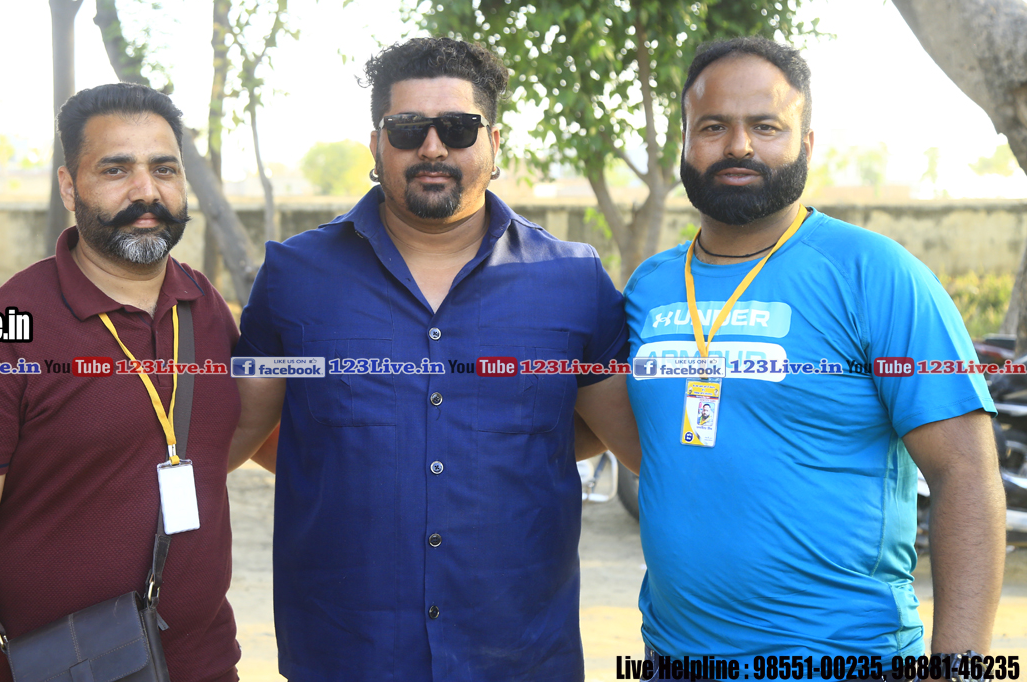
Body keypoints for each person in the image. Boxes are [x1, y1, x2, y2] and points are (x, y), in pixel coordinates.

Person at [228, 36, 638, 681]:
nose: (432, 147)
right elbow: (239, 433)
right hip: (346, 655)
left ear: (493, 144)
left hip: (520, 656)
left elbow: (619, 436)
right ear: (376, 145)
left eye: (457, 128)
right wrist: (341, 460)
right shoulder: (294, 276)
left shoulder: (574, 281)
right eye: (407, 129)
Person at [624, 36, 1004, 661]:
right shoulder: (650, 286)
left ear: (805, 144)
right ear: (684, 142)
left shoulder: (876, 273)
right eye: (713, 126)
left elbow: (964, 473)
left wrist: (959, 669)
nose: (738, 145)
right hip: (672, 656)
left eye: (765, 126)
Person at [0, 83, 242, 682]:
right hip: (62, 669)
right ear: (69, 187)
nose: (146, 192)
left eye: (164, 169)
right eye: (116, 170)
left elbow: (238, 440)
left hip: (208, 665)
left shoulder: (205, 307)